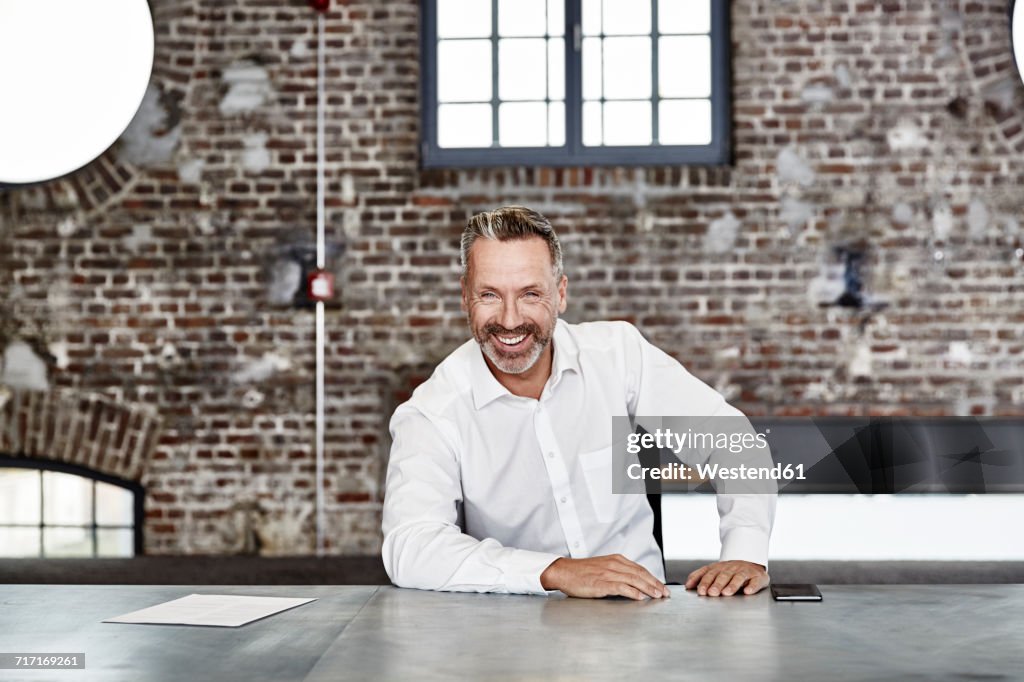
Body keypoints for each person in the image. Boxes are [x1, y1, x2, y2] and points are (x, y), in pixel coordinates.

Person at [381, 206, 775, 600]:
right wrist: (554, 572)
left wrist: (746, 551)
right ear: (465, 296)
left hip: (643, 623)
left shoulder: (618, 355)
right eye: (489, 295)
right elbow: (411, 545)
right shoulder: (432, 412)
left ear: (561, 293)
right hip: (513, 634)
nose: (510, 319)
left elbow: (732, 441)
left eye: (531, 294)